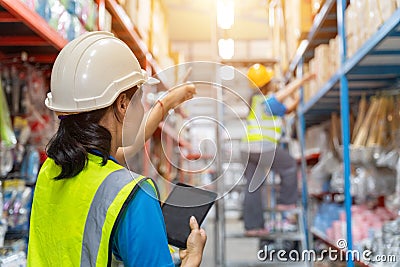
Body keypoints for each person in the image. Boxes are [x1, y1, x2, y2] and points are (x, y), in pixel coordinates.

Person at [27, 31, 206, 267]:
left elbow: (123, 150)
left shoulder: (51, 171)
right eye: (139, 100)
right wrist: (192, 259)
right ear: (123, 104)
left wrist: (168, 102)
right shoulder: (135, 195)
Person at [241, 63, 314, 236]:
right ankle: (286, 202)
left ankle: (253, 227)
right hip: (262, 147)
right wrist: (302, 80)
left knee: (253, 187)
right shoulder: (263, 100)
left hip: (247, 150)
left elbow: (286, 109)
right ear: (265, 83)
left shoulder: (256, 101)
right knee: (289, 165)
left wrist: (297, 100)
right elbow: (280, 98)